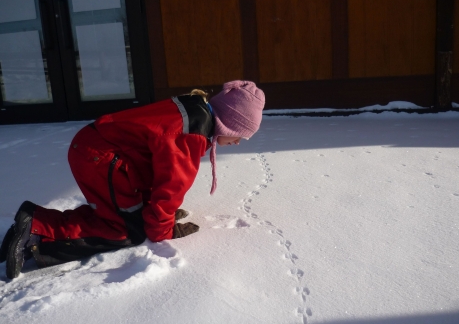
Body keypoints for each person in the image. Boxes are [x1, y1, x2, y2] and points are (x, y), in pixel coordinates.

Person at [0, 80, 265, 279]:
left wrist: (160, 214)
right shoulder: (192, 132)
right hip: (101, 158)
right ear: (230, 121)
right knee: (126, 231)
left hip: (102, 151)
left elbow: (155, 165)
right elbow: (171, 185)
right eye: (240, 135)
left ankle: (33, 225)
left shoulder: (195, 111)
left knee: (129, 218)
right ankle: (37, 230)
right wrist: (163, 230)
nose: (238, 142)